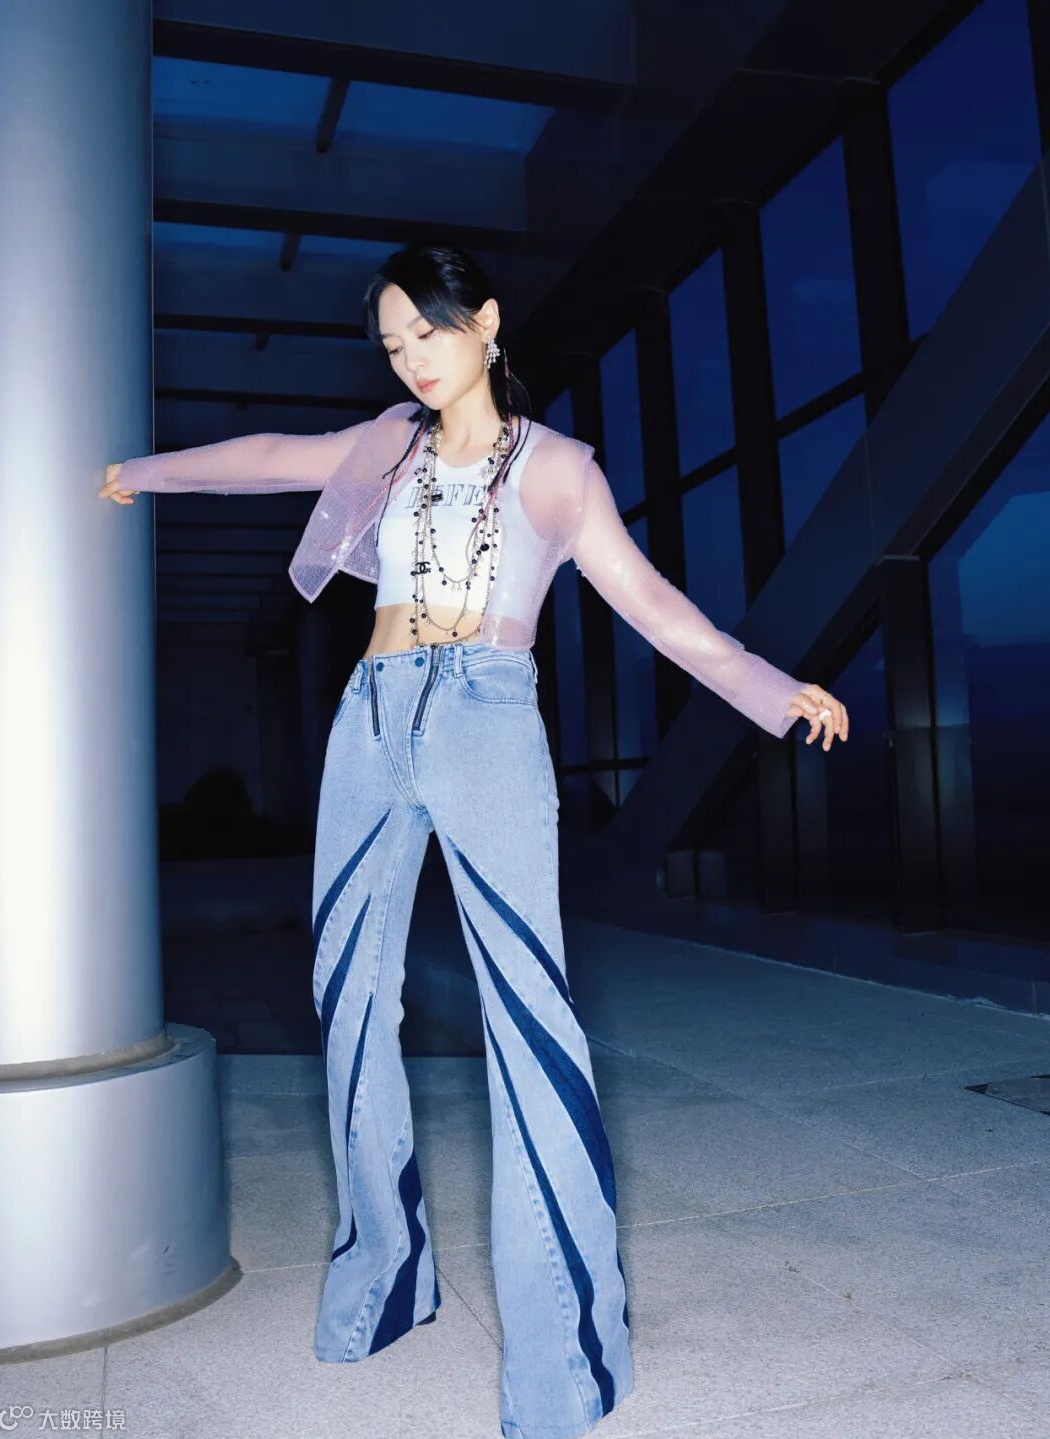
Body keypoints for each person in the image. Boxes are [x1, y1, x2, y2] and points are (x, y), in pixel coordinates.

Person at [100, 242, 848, 1439]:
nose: (410, 357)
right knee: (348, 997)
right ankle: (385, 1275)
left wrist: (773, 687)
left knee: (528, 1016)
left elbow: (659, 611)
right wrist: (144, 471)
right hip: (370, 719)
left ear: (486, 323)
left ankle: (568, 1355)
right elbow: (271, 459)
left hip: (486, 720)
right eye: (393, 343)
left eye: (428, 332)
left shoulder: (557, 470)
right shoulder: (387, 443)